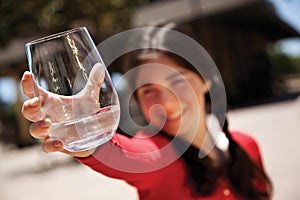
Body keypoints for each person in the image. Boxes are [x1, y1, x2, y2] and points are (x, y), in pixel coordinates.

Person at [21, 23, 272, 199]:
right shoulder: (160, 160)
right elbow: (127, 156)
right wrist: (85, 134)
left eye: (177, 81)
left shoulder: (246, 146)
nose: (167, 102)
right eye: (148, 90)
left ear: (206, 79)